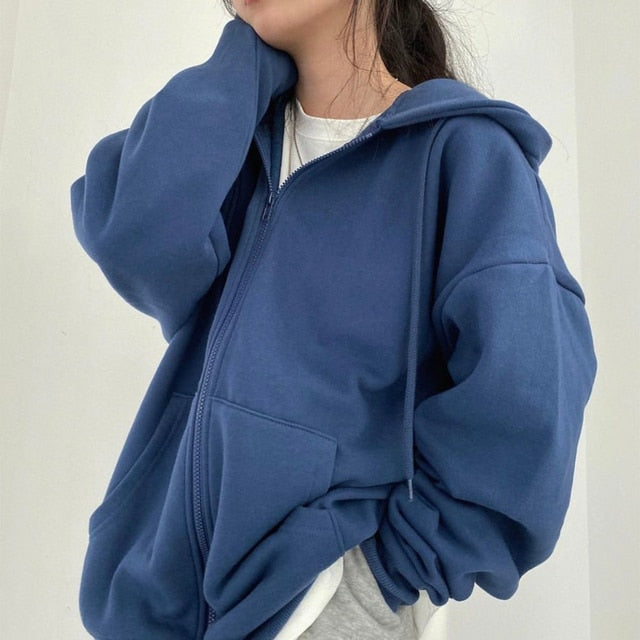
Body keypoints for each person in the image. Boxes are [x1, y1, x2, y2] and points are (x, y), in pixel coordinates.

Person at [69, 1, 598, 639]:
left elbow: (528, 401)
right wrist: (245, 61)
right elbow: (133, 236)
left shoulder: (463, 155)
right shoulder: (231, 149)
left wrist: (379, 584)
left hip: (317, 610)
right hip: (159, 609)